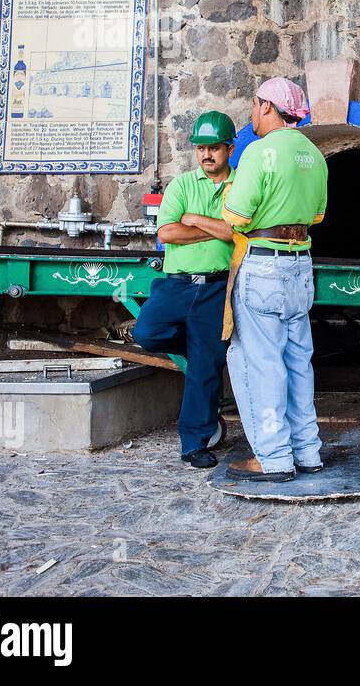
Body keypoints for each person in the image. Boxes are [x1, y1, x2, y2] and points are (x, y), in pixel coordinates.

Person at [219, 77, 328, 483]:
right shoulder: (315, 155)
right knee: (299, 362)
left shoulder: (258, 152)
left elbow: (236, 217)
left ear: (267, 107)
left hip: (262, 265)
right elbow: (317, 215)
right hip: (300, 266)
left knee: (260, 363)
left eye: (254, 106)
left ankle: (274, 458)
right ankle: (308, 451)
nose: (252, 114)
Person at [132, 111, 238, 469]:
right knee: (146, 332)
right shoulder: (181, 185)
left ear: (229, 148)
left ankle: (194, 443)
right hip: (176, 284)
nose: (207, 154)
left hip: (216, 287)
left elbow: (239, 232)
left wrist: (193, 220)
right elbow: (167, 233)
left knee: (205, 369)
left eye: (214, 148)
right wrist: (215, 227)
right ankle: (201, 348)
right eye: (201, 148)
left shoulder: (241, 186)